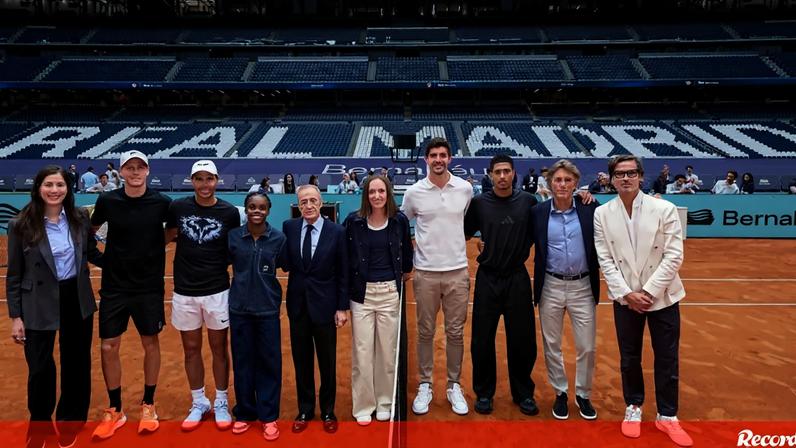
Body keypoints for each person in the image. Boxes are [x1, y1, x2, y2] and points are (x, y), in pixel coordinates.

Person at [594, 155, 692, 447]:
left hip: (662, 298)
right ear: (611, 178)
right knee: (629, 358)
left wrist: (647, 292)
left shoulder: (665, 208)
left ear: (640, 176)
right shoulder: (602, 213)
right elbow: (605, 259)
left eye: (632, 173)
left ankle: (667, 415)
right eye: (620, 174)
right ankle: (633, 406)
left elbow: (674, 255)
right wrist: (627, 294)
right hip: (625, 300)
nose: (626, 178)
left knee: (666, 357)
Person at [7, 165, 103, 448]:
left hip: (75, 296)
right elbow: (14, 274)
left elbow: (92, 254)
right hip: (37, 301)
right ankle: (39, 425)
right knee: (39, 367)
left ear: (67, 188)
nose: (54, 190)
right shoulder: (21, 224)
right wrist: (16, 316)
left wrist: (128, 260)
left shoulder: (79, 218)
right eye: (49, 184)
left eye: (60, 185)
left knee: (76, 363)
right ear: (38, 188)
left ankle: (70, 420)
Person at [90, 150, 172, 439]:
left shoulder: (162, 203)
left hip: (149, 287)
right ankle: (115, 409)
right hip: (114, 286)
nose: (135, 172)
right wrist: (100, 259)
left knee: (150, 343)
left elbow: (173, 230)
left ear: (147, 171)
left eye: (140, 167)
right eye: (130, 167)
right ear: (121, 172)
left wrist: (152, 247)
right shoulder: (107, 201)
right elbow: (91, 230)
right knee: (108, 346)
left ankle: (148, 404)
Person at [165, 160, 241, 432]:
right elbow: (169, 236)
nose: (204, 184)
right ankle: (199, 401)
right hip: (184, 291)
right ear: (192, 181)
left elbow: (234, 248)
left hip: (217, 290)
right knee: (191, 349)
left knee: (219, 349)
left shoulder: (230, 212)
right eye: (199, 179)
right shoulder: (178, 207)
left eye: (209, 179)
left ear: (217, 180)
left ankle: (221, 400)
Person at [401, 137, 473, 416]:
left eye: (443, 155)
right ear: (426, 160)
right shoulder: (414, 192)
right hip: (426, 274)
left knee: (455, 333)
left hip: (457, 273)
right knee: (425, 332)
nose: (439, 159)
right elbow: (402, 225)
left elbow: (463, 222)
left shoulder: (465, 189)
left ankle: (453, 385)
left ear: (450, 158)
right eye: (433, 155)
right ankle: (425, 384)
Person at [463, 155, 539, 417]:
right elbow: (465, 231)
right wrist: (480, 245)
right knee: (482, 339)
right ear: (491, 175)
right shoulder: (479, 203)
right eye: (498, 172)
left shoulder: (528, 202)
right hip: (488, 277)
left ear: (514, 174)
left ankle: (524, 393)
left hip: (517, 278)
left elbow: (540, 230)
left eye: (507, 171)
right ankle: (484, 393)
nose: (503, 176)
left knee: (523, 339)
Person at [530, 160, 600, 421]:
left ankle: (582, 394)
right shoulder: (537, 212)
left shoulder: (590, 208)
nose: (562, 184)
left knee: (587, 346)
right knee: (552, 344)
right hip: (551, 285)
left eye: (567, 180)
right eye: (557, 180)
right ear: (550, 184)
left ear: (575, 184)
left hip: (583, 286)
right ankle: (560, 392)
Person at [343, 175, 413, 426]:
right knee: (362, 352)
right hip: (361, 294)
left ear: (388, 193)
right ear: (366, 195)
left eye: (381, 191)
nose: (377, 196)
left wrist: (402, 274)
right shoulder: (353, 221)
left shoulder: (399, 221)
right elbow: (346, 258)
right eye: (372, 192)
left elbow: (406, 254)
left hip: (389, 293)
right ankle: (364, 404)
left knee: (387, 352)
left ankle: (385, 402)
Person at [282, 185, 349, 434]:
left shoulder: (337, 232)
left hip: (326, 306)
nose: (308, 206)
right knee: (301, 360)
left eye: (312, 201)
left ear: (321, 203)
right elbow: (286, 263)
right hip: (298, 305)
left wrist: (342, 307)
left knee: (327, 361)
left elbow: (343, 272)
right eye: (303, 202)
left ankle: (329, 410)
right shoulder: (289, 228)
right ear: (298, 206)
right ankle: (305, 408)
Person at [227, 192, 287, 441]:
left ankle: (269, 415)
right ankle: (245, 413)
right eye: (252, 206)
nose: (256, 211)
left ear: (269, 210)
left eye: (261, 207)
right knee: (242, 362)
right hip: (239, 309)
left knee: (269, 364)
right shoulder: (233, 237)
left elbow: (286, 265)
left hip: (267, 310)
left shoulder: (278, 239)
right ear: (247, 209)